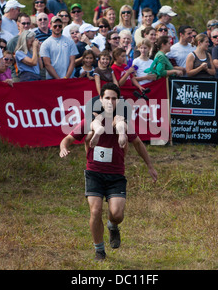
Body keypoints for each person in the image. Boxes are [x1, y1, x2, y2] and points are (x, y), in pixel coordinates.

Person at [59, 82, 158, 260]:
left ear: (118, 101)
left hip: (116, 175)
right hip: (94, 173)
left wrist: (150, 166)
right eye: (107, 98)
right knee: (95, 211)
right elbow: (66, 138)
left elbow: (138, 144)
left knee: (117, 214)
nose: (111, 101)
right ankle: (99, 250)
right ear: (101, 100)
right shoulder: (90, 121)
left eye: (114, 98)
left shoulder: (122, 120)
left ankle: (113, 226)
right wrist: (63, 148)